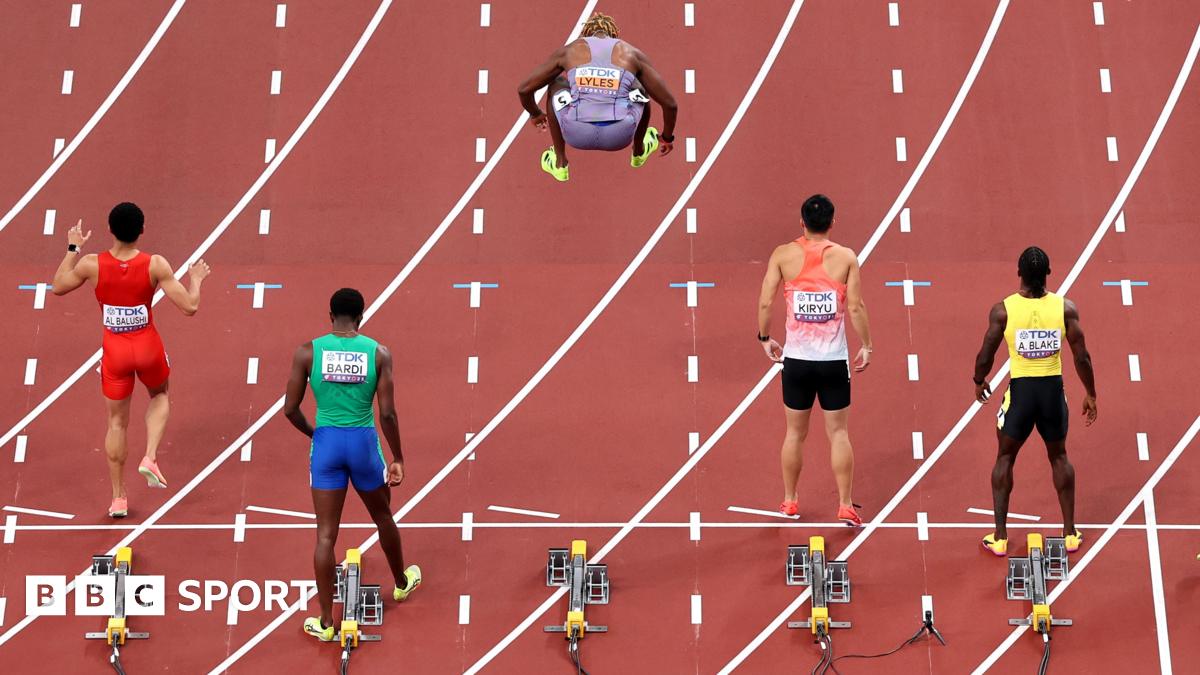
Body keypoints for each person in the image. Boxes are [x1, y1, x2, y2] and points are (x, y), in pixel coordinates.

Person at [50, 203, 210, 518]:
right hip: (147, 346)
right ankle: (149, 456)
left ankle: (118, 498)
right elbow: (190, 307)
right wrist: (197, 279)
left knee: (116, 422)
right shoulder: (156, 265)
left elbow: (58, 286)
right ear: (142, 231)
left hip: (115, 352)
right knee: (161, 394)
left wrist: (73, 246)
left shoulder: (91, 264)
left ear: (110, 230)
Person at [283, 288, 420, 642]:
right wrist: (398, 457)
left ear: (330, 316)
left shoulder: (307, 352)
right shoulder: (378, 354)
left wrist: (315, 434)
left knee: (326, 535)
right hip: (362, 444)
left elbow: (290, 409)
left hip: (327, 444)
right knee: (383, 517)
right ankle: (402, 583)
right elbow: (387, 413)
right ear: (361, 317)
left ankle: (326, 622)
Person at [757, 195, 873, 525]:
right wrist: (867, 344)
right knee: (838, 434)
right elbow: (855, 307)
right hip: (833, 362)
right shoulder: (846, 258)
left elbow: (766, 302)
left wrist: (765, 338)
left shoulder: (783, 255)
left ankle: (790, 500)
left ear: (802, 223)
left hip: (796, 361)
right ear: (833, 223)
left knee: (795, 434)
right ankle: (846, 504)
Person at [973, 246, 1097, 556]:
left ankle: (1000, 537)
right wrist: (1091, 393)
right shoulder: (1065, 308)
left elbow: (986, 354)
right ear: (1048, 274)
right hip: (1052, 393)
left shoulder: (1003, 310)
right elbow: (1081, 356)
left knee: (1005, 457)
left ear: (1019, 274)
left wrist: (979, 381)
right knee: (1059, 457)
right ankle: (1069, 533)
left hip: (1021, 396)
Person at [517, 11, 678, 182]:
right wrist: (666, 138)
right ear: (614, 35)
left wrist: (535, 113)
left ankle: (559, 163)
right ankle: (639, 151)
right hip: (619, 136)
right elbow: (670, 104)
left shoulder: (570, 51)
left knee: (556, 82)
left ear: (585, 34)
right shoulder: (631, 53)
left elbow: (524, 90)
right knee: (641, 89)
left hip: (576, 134)